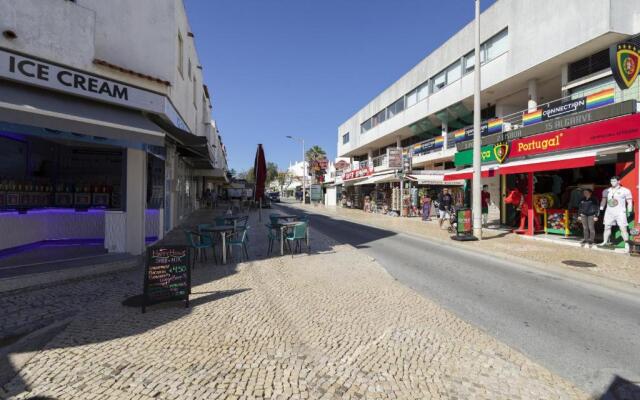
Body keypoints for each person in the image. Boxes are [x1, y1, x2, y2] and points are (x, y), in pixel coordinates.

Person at [598, 176, 634, 252]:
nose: (612, 182)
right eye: (611, 181)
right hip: (609, 212)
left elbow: (629, 202)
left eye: (614, 181)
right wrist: (601, 209)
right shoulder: (606, 191)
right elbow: (603, 200)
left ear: (619, 181)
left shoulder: (625, 190)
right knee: (607, 227)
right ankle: (605, 242)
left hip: (620, 212)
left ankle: (627, 245)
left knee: (623, 228)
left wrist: (630, 210)